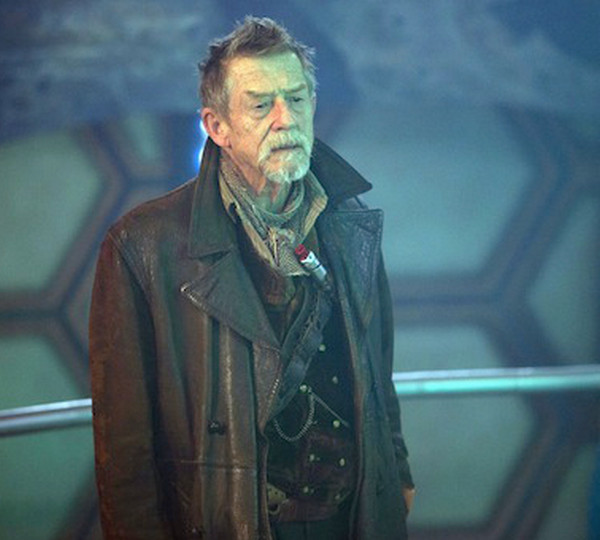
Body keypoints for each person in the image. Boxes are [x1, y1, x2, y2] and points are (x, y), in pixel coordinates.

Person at [90, 16, 414, 540]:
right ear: (216, 126)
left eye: (297, 99)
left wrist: (395, 469)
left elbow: (378, 364)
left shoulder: (349, 219)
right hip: (231, 520)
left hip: (350, 517)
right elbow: (125, 445)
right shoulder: (143, 246)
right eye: (261, 105)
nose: (286, 119)